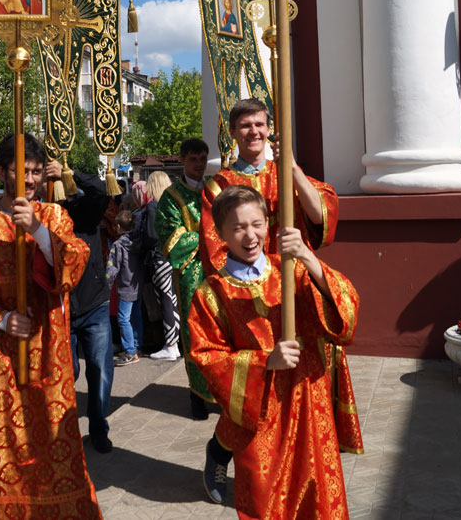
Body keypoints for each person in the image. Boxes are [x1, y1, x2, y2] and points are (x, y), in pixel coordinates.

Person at [0, 133, 101, 519]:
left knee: (53, 448)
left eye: (35, 172)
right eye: (21, 171)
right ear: (1, 172)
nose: (30, 180)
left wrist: (36, 231)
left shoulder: (53, 216)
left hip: (49, 356)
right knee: (3, 455)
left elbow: (74, 263)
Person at [190, 185, 362, 517]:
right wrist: (265, 361)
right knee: (263, 499)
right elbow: (207, 357)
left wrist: (308, 256)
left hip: (309, 403)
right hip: (259, 419)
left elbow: (347, 309)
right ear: (221, 232)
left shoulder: (292, 271)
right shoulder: (212, 293)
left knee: (318, 497)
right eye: (238, 227)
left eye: (256, 224)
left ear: (267, 224)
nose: (250, 234)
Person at [200, 98, 338, 277]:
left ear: (268, 130)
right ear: (232, 132)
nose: (254, 131)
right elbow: (213, 247)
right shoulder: (219, 186)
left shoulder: (288, 174)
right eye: (245, 125)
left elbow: (320, 216)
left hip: (293, 278)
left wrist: (293, 167)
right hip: (245, 284)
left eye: (259, 124)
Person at [45, 158, 115, 453]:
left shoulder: (83, 211)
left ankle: (98, 428)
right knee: (66, 372)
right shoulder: (40, 216)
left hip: (93, 303)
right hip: (58, 308)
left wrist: (69, 171)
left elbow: (102, 192)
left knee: (99, 368)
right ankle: (65, 431)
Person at [155, 137, 217, 420]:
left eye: (202, 159)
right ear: (183, 160)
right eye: (193, 159)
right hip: (192, 275)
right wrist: (210, 235)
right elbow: (171, 239)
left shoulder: (214, 191)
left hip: (220, 272)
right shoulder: (171, 197)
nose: (198, 165)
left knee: (220, 332)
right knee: (195, 332)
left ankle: (221, 391)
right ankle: (196, 395)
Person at [143, 171, 180, 361]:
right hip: (172, 256)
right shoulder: (170, 204)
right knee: (173, 299)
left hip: (158, 257)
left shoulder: (152, 206)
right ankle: (174, 343)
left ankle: (171, 345)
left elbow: (151, 236)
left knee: (165, 300)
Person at [107, 209, 143, 367]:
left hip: (125, 286)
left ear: (119, 226)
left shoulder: (117, 245)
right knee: (136, 316)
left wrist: (106, 284)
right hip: (137, 284)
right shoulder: (139, 242)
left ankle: (130, 351)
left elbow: (112, 267)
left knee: (123, 319)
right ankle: (136, 345)